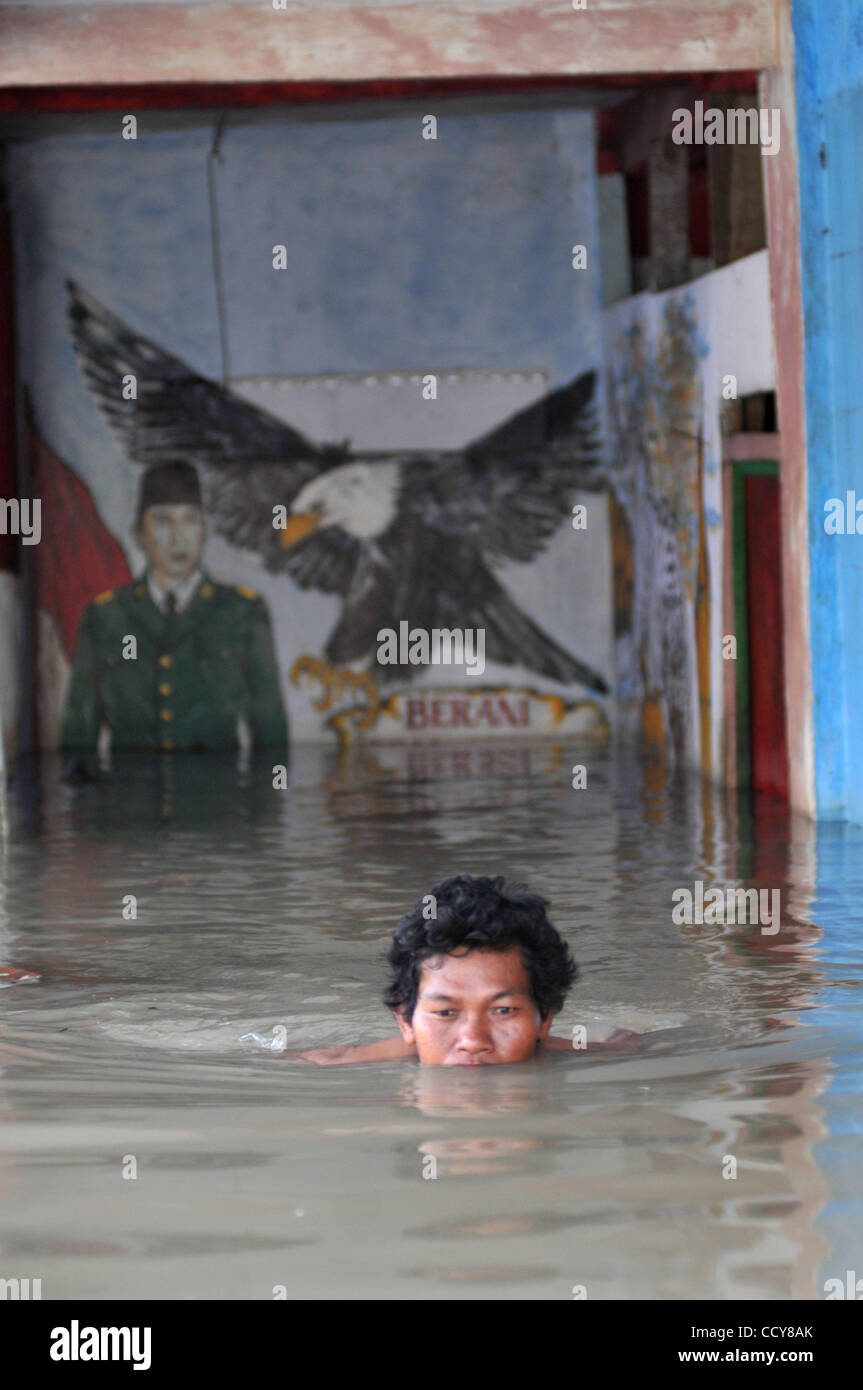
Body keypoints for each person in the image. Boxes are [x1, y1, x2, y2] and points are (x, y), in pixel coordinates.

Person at [60, 460, 288, 754]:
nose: (178, 537)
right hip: (127, 799)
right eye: (163, 521)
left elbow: (272, 739)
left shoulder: (243, 613)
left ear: (204, 532)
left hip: (219, 799)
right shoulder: (105, 617)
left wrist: (273, 796)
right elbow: (77, 744)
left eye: (191, 519)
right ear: (139, 533)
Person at [299, 874, 642, 1066]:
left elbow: (631, 1045)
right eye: (446, 1012)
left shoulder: (592, 1057)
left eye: (504, 1010)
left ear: (545, 1018)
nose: (473, 1041)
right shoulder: (339, 1064)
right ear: (405, 1019)